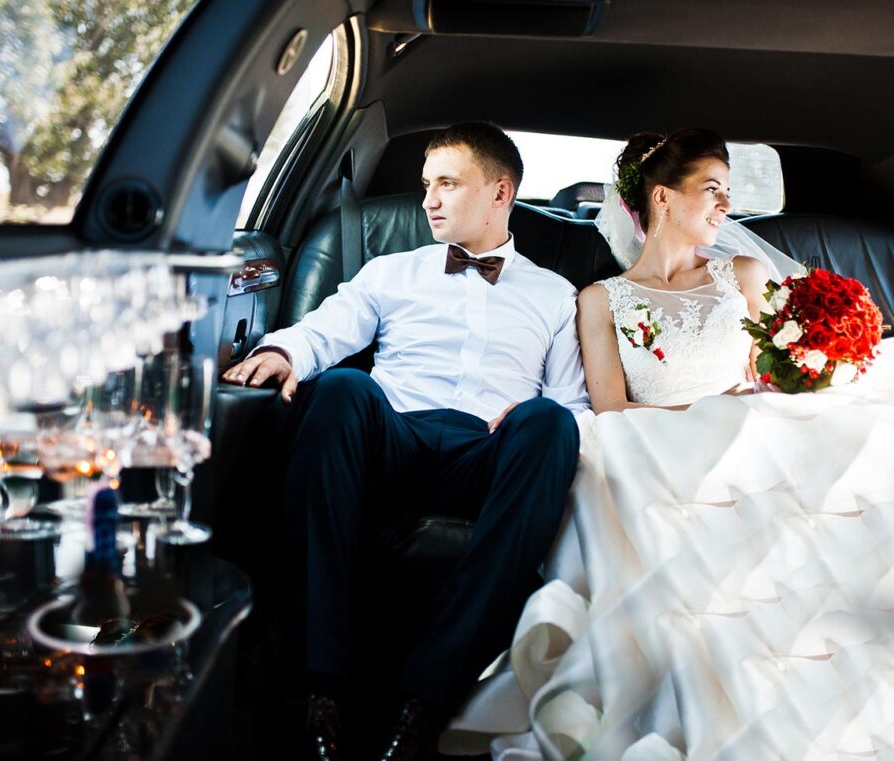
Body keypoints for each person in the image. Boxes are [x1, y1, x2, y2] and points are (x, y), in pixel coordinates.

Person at [445, 129, 894, 760]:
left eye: (729, 195)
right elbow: (610, 410)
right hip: (660, 451)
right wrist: (708, 411)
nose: (725, 209)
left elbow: (775, 374)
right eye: (712, 191)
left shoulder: (745, 273)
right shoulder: (600, 301)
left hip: (754, 443)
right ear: (662, 197)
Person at [221, 122, 589, 761]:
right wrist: (281, 350)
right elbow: (324, 329)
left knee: (550, 424)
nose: (429, 200)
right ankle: (317, 689)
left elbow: (571, 406)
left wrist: (529, 414)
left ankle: (426, 700)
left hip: (486, 452)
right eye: (426, 185)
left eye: (448, 184)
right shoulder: (390, 271)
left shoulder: (557, 296)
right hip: (392, 433)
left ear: (501, 192)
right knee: (339, 387)